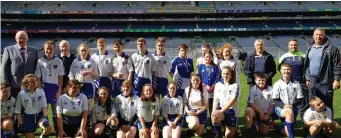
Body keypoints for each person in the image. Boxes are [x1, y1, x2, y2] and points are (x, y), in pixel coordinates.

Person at [305, 28, 341, 114]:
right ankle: (314, 123)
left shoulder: (332, 48)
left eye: (321, 35)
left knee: (326, 103)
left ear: (324, 36)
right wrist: (307, 78)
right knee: (313, 103)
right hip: (312, 79)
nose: (318, 37)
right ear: (313, 36)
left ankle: (328, 124)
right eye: (316, 35)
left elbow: (337, 65)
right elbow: (307, 65)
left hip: (326, 80)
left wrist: (336, 80)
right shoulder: (310, 48)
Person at [35, 40, 64, 132]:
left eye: (51, 49)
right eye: (47, 49)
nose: (49, 51)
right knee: (44, 111)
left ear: (54, 49)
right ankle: (46, 129)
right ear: (44, 49)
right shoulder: (40, 61)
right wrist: (39, 90)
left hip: (55, 89)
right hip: (44, 89)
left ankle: (57, 130)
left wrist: (59, 91)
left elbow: (60, 78)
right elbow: (38, 78)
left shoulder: (58, 61)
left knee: (56, 111)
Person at [278, 39, 309, 125]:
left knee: (303, 106)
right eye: (291, 45)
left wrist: (306, 79)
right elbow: (280, 69)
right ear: (288, 46)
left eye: (295, 45)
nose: (293, 46)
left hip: (301, 84)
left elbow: (307, 69)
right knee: (288, 104)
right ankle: (287, 124)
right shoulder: (284, 57)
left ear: (297, 46)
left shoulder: (303, 56)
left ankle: (305, 124)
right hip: (288, 84)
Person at [1, 31, 39, 98]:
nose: (22, 40)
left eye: (24, 38)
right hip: (14, 85)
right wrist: (5, 84)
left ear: (27, 39)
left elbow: (37, 68)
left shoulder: (35, 51)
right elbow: (4, 67)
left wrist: (37, 83)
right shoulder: (8, 50)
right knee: (15, 106)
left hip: (30, 85)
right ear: (16, 39)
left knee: (29, 106)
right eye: (19, 38)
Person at [272, 63, 304, 138]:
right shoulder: (277, 84)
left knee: (287, 132)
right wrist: (284, 106)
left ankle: (278, 128)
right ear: (281, 71)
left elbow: (300, 99)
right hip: (280, 108)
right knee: (289, 112)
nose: (286, 71)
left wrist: (292, 105)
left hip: (293, 108)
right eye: (284, 69)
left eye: (288, 69)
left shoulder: (296, 83)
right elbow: (275, 99)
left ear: (291, 70)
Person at [69, 43, 99, 111]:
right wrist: (74, 83)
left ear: (88, 51)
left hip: (89, 86)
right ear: (79, 51)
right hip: (77, 86)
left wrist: (90, 72)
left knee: (88, 107)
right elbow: (70, 75)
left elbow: (97, 77)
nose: (83, 52)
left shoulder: (92, 61)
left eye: (85, 50)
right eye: (82, 50)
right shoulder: (75, 61)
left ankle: (88, 121)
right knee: (77, 106)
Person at [211, 67, 240, 138]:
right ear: (221, 74)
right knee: (214, 117)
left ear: (231, 75)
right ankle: (219, 134)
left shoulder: (235, 85)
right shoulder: (218, 85)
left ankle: (234, 129)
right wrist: (214, 111)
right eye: (223, 73)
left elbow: (233, 100)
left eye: (227, 74)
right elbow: (216, 99)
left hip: (232, 111)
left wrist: (221, 111)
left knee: (228, 136)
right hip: (221, 109)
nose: (225, 75)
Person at [196, 50, 220, 134]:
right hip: (204, 91)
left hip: (213, 91)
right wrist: (204, 85)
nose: (208, 58)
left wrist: (213, 86)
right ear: (203, 57)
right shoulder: (200, 66)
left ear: (212, 58)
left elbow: (218, 78)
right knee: (204, 109)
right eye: (206, 57)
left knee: (212, 108)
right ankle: (204, 126)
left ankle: (214, 126)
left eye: (209, 57)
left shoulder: (215, 67)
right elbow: (198, 78)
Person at [244, 73, 274, 138]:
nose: (261, 82)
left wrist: (268, 114)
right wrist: (260, 112)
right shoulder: (253, 89)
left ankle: (255, 124)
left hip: (265, 113)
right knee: (248, 110)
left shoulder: (270, 89)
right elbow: (250, 103)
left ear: (265, 80)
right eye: (259, 80)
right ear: (255, 81)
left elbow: (272, 104)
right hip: (255, 112)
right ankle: (248, 130)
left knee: (264, 132)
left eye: (263, 80)